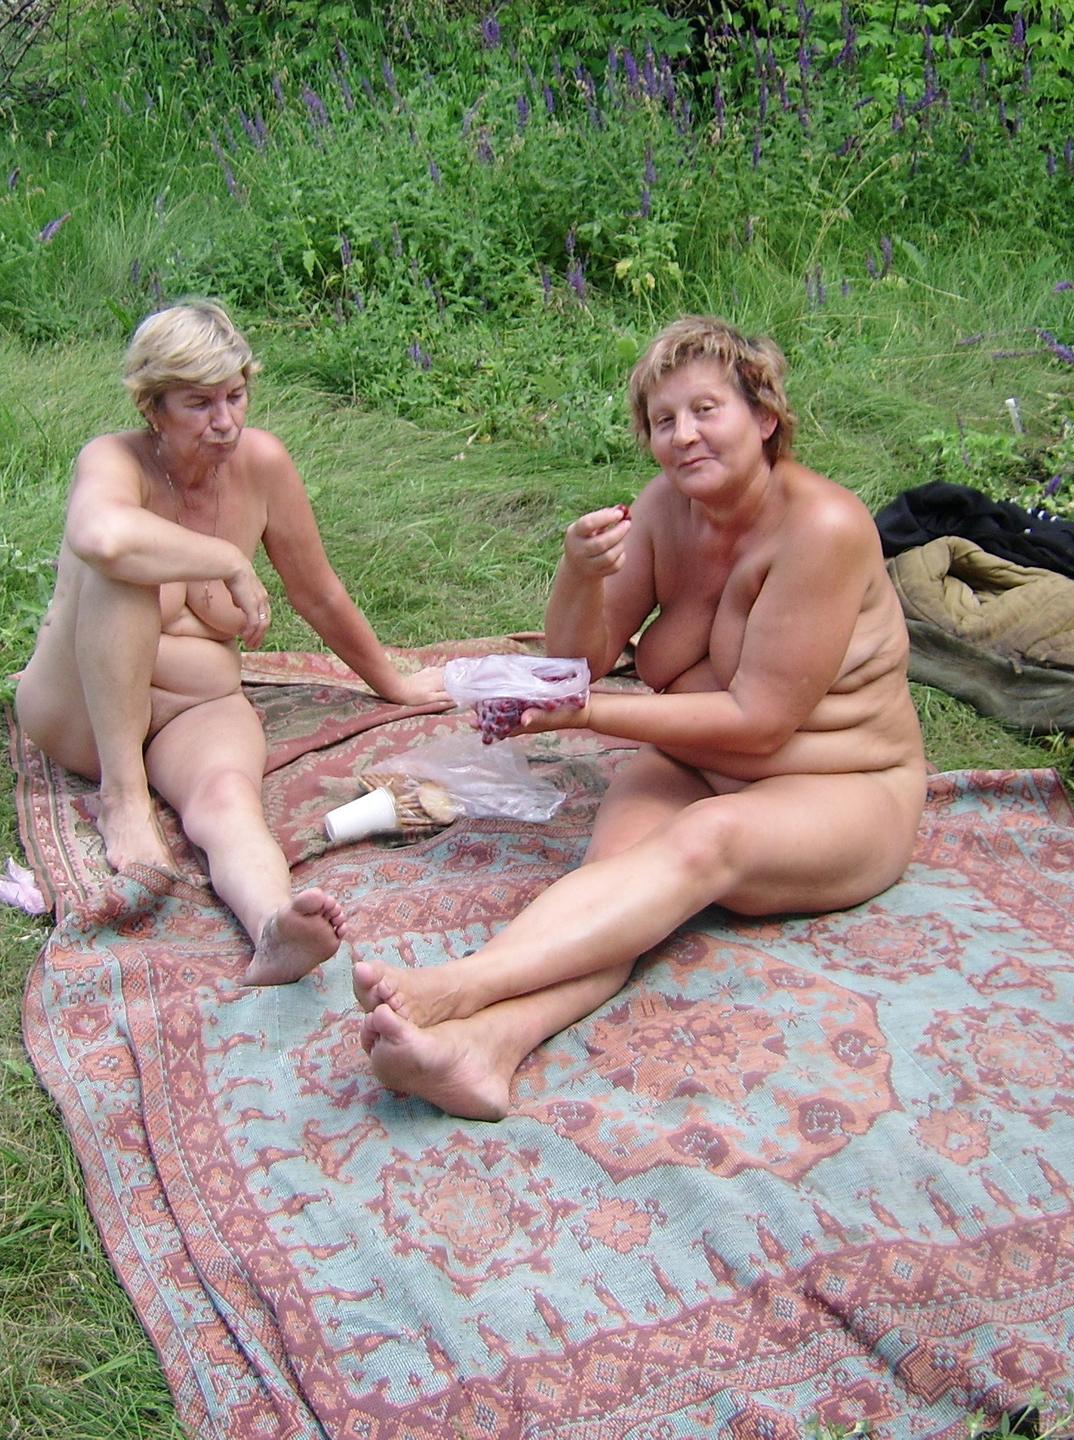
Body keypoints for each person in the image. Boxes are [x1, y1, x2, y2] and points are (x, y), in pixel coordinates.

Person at [353, 315, 926, 1117]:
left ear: (764, 418)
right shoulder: (663, 509)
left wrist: (588, 716)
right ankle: (487, 1049)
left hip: (844, 786)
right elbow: (572, 663)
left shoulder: (822, 528)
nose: (683, 435)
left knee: (706, 839)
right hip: (695, 764)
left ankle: (459, 987)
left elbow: (761, 721)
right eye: (664, 420)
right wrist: (579, 575)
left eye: (706, 410)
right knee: (615, 887)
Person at [15, 300, 446, 984]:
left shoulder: (261, 464)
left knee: (226, 797)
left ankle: (274, 926)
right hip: (82, 716)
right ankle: (124, 798)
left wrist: (392, 682)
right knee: (125, 572)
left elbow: (317, 593)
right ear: (153, 406)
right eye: (198, 403)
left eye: (235, 396)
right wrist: (225, 560)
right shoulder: (113, 461)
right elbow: (103, 537)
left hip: (194, 709)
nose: (225, 422)